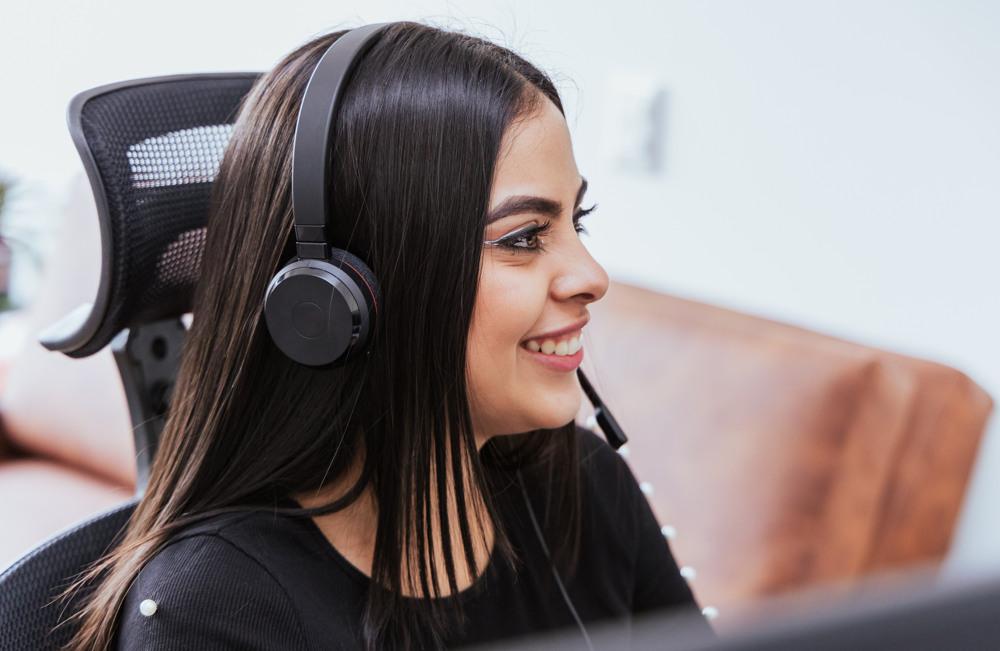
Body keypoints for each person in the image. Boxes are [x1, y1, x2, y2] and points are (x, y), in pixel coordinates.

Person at [56, 20, 714, 651]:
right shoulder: (217, 612)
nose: (592, 276)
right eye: (523, 238)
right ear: (338, 299)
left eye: (579, 219)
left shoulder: (582, 483)